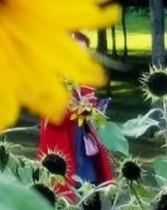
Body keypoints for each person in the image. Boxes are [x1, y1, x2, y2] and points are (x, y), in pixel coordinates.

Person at [38, 32, 115, 197]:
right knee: (65, 203)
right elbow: (54, 117)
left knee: (92, 201)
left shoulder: (84, 81)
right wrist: (78, 107)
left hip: (86, 153)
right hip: (62, 154)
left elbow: (90, 108)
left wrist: (95, 109)